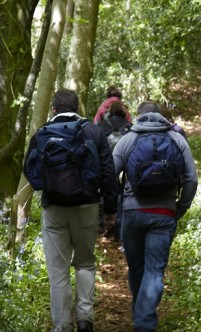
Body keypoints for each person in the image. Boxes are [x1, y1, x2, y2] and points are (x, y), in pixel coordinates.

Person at [24, 89, 119, 332]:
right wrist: (110, 210)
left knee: (58, 271)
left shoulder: (42, 133)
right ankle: (85, 319)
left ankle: (62, 326)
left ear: (54, 109)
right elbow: (108, 173)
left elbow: (29, 168)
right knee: (85, 263)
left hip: (53, 208)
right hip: (86, 206)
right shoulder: (93, 131)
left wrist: (46, 186)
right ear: (78, 109)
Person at [112, 101, 198, 331]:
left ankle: (141, 318)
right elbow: (191, 178)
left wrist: (119, 202)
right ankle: (144, 319)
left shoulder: (128, 139)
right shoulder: (176, 139)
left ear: (138, 116)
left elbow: (110, 174)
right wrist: (181, 206)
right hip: (164, 212)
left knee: (137, 267)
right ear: (160, 116)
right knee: (154, 270)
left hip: (132, 213)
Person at [97, 101, 132, 240]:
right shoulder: (131, 128)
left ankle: (103, 227)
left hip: (105, 165)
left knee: (103, 194)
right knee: (122, 195)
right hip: (125, 168)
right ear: (124, 113)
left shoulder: (101, 127)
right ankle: (119, 230)